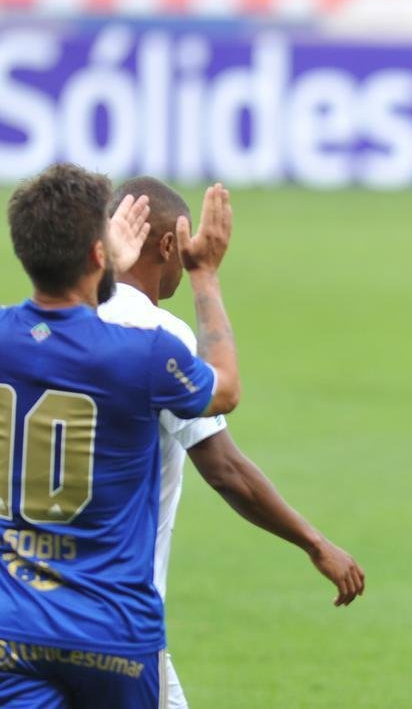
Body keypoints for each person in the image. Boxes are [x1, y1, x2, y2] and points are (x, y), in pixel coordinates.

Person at [97, 176, 366, 708]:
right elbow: (225, 469)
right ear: (170, 246)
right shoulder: (155, 333)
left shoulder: (55, 325)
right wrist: (315, 543)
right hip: (119, 614)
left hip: (29, 608)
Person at [0, 163, 240, 708]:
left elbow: (51, 331)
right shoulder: (144, 351)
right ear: (98, 253)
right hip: (112, 631)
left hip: (12, 626)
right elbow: (223, 389)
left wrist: (98, 270)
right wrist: (203, 273)